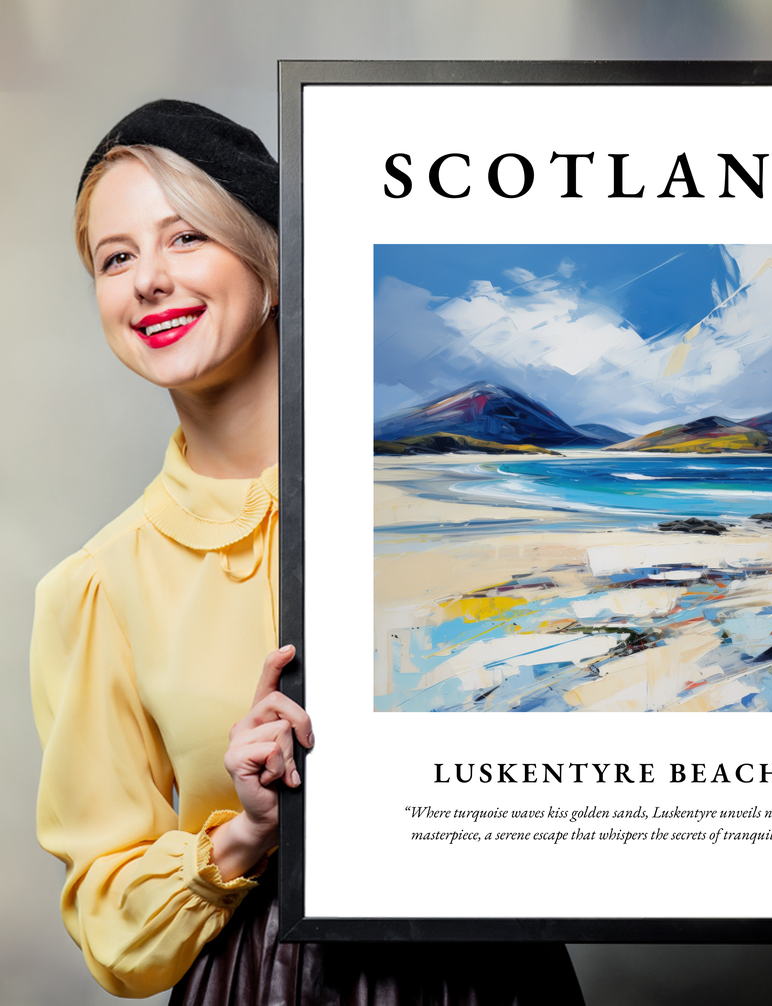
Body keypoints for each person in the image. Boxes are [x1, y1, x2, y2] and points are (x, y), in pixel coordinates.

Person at [30, 100, 586, 1004]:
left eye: (185, 239)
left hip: (492, 974)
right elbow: (110, 924)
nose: (148, 281)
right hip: (262, 982)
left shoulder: (459, 503)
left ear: (273, 263)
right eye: (116, 257)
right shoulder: (97, 587)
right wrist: (245, 832)